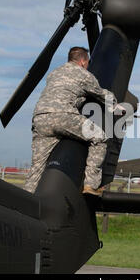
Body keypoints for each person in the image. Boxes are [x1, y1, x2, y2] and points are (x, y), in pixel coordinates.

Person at [24, 46, 117, 196]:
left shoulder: (54, 73)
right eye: (87, 63)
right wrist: (115, 104)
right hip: (63, 116)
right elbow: (102, 94)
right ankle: (91, 186)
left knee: (37, 167)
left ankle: (26, 199)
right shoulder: (83, 74)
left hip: (40, 119)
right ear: (82, 61)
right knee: (100, 137)